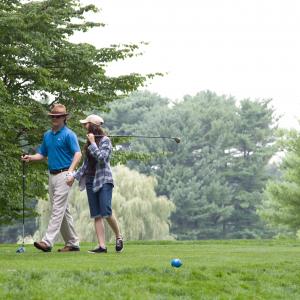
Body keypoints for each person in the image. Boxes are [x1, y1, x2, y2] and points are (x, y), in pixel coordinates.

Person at [21, 104, 82, 252]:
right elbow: (42, 154)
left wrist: (71, 172)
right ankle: (73, 242)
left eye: (58, 116)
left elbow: (78, 154)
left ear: (64, 118)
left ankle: (47, 242)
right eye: (53, 116)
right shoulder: (47, 135)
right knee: (62, 210)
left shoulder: (69, 134)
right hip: (52, 175)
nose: (55, 118)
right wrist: (30, 157)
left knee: (57, 209)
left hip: (64, 175)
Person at [66, 114, 123, 253]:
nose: (84, 126)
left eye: (86, 124)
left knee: (106, 211)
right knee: (96, 214)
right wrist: (74, 176)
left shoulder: (105, 141)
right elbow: (85, 166)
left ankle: (119, 237)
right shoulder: (88, 143)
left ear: (93, 125)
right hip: (90, 181)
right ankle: (102, 246)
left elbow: (102, 159)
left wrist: (92, 143)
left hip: (104, 180)